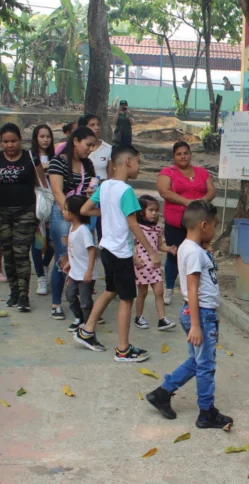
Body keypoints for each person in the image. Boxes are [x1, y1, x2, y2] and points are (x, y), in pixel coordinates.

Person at [146, 200, 233, 430]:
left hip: (197, 313)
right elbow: (193, 289)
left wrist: (205, 251)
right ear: (204, 225)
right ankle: (206, 413)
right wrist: (196, 324)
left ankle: (162, 393)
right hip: (201, 315)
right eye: (214, 226)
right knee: (206, 365)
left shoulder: (189, 247)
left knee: (196, 361)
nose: (215, 230)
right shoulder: (194, 253)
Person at [73, 145, 157, 362]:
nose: (139, 167)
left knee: (110, 290)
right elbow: (133, 224)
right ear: (128, 162)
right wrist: (151, 251)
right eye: (138, 162)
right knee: (126, 300)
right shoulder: (126, 191)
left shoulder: (106, 186)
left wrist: (107, 212)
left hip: (107, 249)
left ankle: (87, 330)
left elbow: (84, 210)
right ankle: (123, 349)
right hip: (120, 253)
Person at [0, 123, 46, 312]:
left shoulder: (30, 157)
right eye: (5, 142)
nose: (9, 145)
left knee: (21, 253)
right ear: (1, 142)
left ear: (20, 140)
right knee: (7, 253)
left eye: (13, 141)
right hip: (1, 212)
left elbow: (42, 185)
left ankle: (24, 296)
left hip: (25, 211)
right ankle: (14, 293)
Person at [47, 126, 98, 320]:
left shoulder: (88, 165)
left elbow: (92, 189)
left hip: (83, 216)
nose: (90, 149)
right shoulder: (58, 162)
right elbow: (57, 192)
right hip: (64, 215)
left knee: (82, 257)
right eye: (88, 144)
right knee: (63, 258)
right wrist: (69, 214)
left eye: (93, 145)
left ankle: (83, 305)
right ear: (75, 140)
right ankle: (56, 303)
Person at [157, 141, 216, 305]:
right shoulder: (167, 172)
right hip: (176, 223)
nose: (183, 156)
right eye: (179, 154)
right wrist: (188, 202)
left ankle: (198, 290)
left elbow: (211, 190)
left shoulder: (201, 171)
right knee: (174, 255)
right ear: (174, 156)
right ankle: (169, 288)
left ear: (190, 154)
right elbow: (164, 192)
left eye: (186, 153)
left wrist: (200, 203)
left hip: (199, 224)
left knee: (200, 254)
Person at [133, 195, 177, 331]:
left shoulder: (157, 228)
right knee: (143, 292)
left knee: (159, 291)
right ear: (141, 212)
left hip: (154, 265)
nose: (154, 213)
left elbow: (159, 245)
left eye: (156, 210)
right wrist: (135, 259)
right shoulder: (137, 228)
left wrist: (169, 248)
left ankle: (162, 319)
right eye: (150, 210)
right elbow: (130, 246)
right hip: (141, 265)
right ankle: (138, 317)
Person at [60, 195, 96, 332]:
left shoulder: (83, 231)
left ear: (75, 213)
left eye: (65, 209)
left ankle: (88, 324)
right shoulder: (71, 227)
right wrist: (70, 262)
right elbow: (74, 249)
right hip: (74, 272)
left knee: (85, 301)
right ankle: (79, 318)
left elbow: (91, 250)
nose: (62, 212)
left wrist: (89, 270)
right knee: (70, 295)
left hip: (85, 274)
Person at [31, 124, 56, 295]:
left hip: (55, 200)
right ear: (36, 138)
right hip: (37, 201)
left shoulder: (57, 157)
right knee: (38, 240)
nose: (45, 139)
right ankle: (40, 276)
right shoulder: (30, 157)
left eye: (48, 136)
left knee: (54, 239)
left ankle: (46, 265)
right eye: (42, 136)